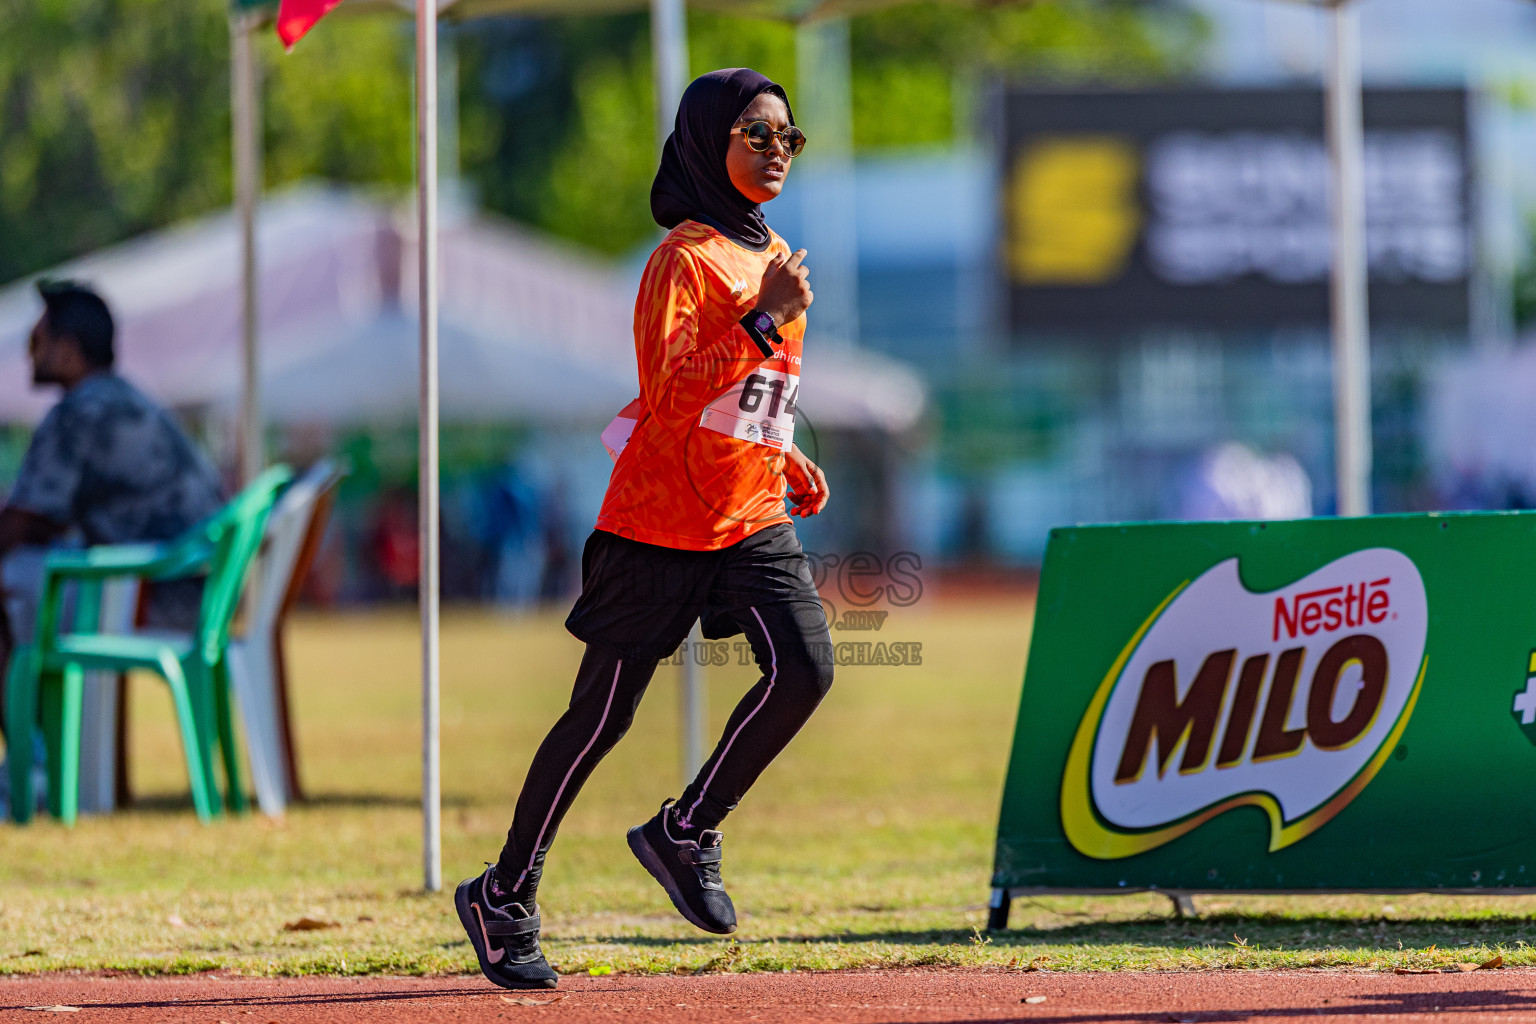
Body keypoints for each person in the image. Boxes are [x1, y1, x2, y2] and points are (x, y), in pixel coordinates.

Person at [456, 68, 833, 991]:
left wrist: (784, 455)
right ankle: (503, 895)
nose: (777, 148)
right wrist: (760, 317)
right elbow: (667, 392)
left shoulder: (777, 256)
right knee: (602, 717)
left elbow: (749, 399)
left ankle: (685, 828)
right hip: (661, 525)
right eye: (757, 133)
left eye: (789, 135)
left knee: (808, 668)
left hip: (748, 517)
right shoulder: (684, 258)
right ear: (711, 142)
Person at [0, 281, 224, 697]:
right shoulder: (129, 400)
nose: (28, 352)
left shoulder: (77, 414)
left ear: (66, 349)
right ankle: (62, 755)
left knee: (10, 589)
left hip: (154, 594)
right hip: (203, 592)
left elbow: (20, 524)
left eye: (36, 339)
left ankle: (32, 755)